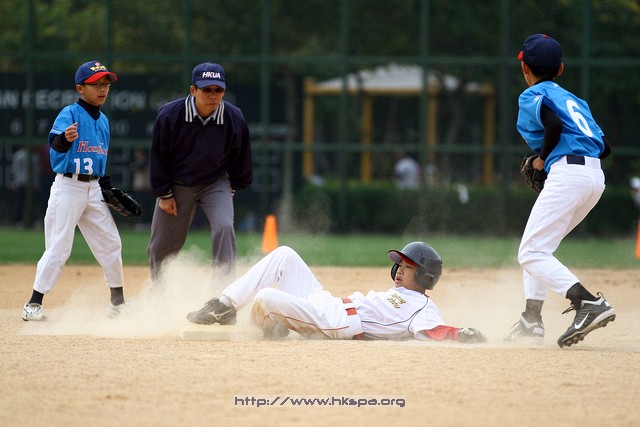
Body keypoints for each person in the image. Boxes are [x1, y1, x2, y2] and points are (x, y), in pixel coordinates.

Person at [505, 34, 615, 347]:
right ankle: (531, 321)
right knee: (539, 247)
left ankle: (588, 302)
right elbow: (605, 147)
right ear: (561, 69)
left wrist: (542, 159)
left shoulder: (533, 94)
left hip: (568, 175)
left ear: (524, 68)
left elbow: (552, 126)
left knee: (531, 252)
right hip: (593, 177)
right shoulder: (576, 101)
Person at [186, 242, 488, 343]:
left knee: (266, 297)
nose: (398, 270)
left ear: (424, 276)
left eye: (407, 267)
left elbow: (433, 331)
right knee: (285, 255)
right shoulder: (401, 294)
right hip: (330, 304)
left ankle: (269, 326)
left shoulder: (423, 308)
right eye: (398, 265)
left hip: (338, 323)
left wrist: (460, 333)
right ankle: (224, 305)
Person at [22, 60, 126, 321]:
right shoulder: (69, 113)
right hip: (68, 186)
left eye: (106, 84)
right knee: (59, 247)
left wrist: (106, 188)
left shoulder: (104, 121)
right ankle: (33, 304)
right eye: (96, 84)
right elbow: (55, 144)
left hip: (94, 187)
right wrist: (65, 139)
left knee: (111, 243)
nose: (102, 89)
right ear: (80, 88)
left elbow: (101, 157)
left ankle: (117, 303)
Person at [147, 62, 253, 280]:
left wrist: (232, 187)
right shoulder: (170, 115)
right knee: (161, 245)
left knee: (224, 226)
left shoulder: (234, 117)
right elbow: (159, 156)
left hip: (215, 182)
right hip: (177, 184)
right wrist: (164, 193)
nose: (213, 95)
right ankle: (159, 289)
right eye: (206, 89)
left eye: (218, 90)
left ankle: (223, 290)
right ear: (193, 90)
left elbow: (241, 156)